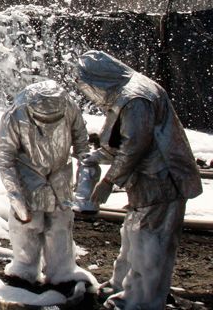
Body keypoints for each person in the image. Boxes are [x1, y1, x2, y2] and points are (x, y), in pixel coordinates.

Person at [76, 50, 203, 310]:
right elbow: (121, 139)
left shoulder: (136, 99)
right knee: (134, 236)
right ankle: (121, 288)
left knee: (150, 244)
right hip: (147, 181)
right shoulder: (127, 93)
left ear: (100, 78)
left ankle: (139, 301)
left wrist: (109, 181)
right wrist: (97, 156)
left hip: (161, 181)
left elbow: (135, 145)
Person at [0, 79, 92, 288]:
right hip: (28, 177)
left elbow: (83, 148)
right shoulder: (16, 114)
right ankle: (24, 270)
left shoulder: (69, 107)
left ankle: (62, 273)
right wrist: (16, 197)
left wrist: (85, 188)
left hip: (60, 176)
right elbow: (5, 158)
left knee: (60, 224)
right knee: (26, 225)